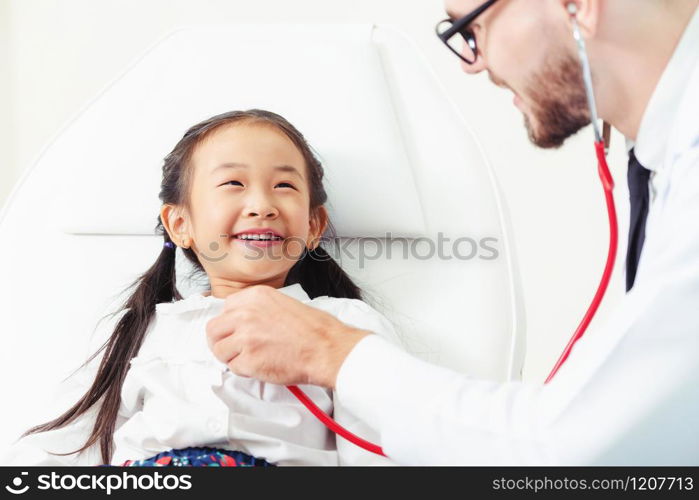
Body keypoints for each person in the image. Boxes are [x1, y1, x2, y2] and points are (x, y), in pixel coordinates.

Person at [205, 0, 699, 465]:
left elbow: (577, 449)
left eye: (472, 27)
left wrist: (329, 350)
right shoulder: (665, 165)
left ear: (580, 4)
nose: (471, 63)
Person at [0, 109, 399, 466]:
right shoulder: (142, 330)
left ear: (313, 225)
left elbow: (383, 452)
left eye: (284, 186)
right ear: (179, 225)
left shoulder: (344, 324)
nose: (262, 204)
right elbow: (62, 449)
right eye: (232, 183)